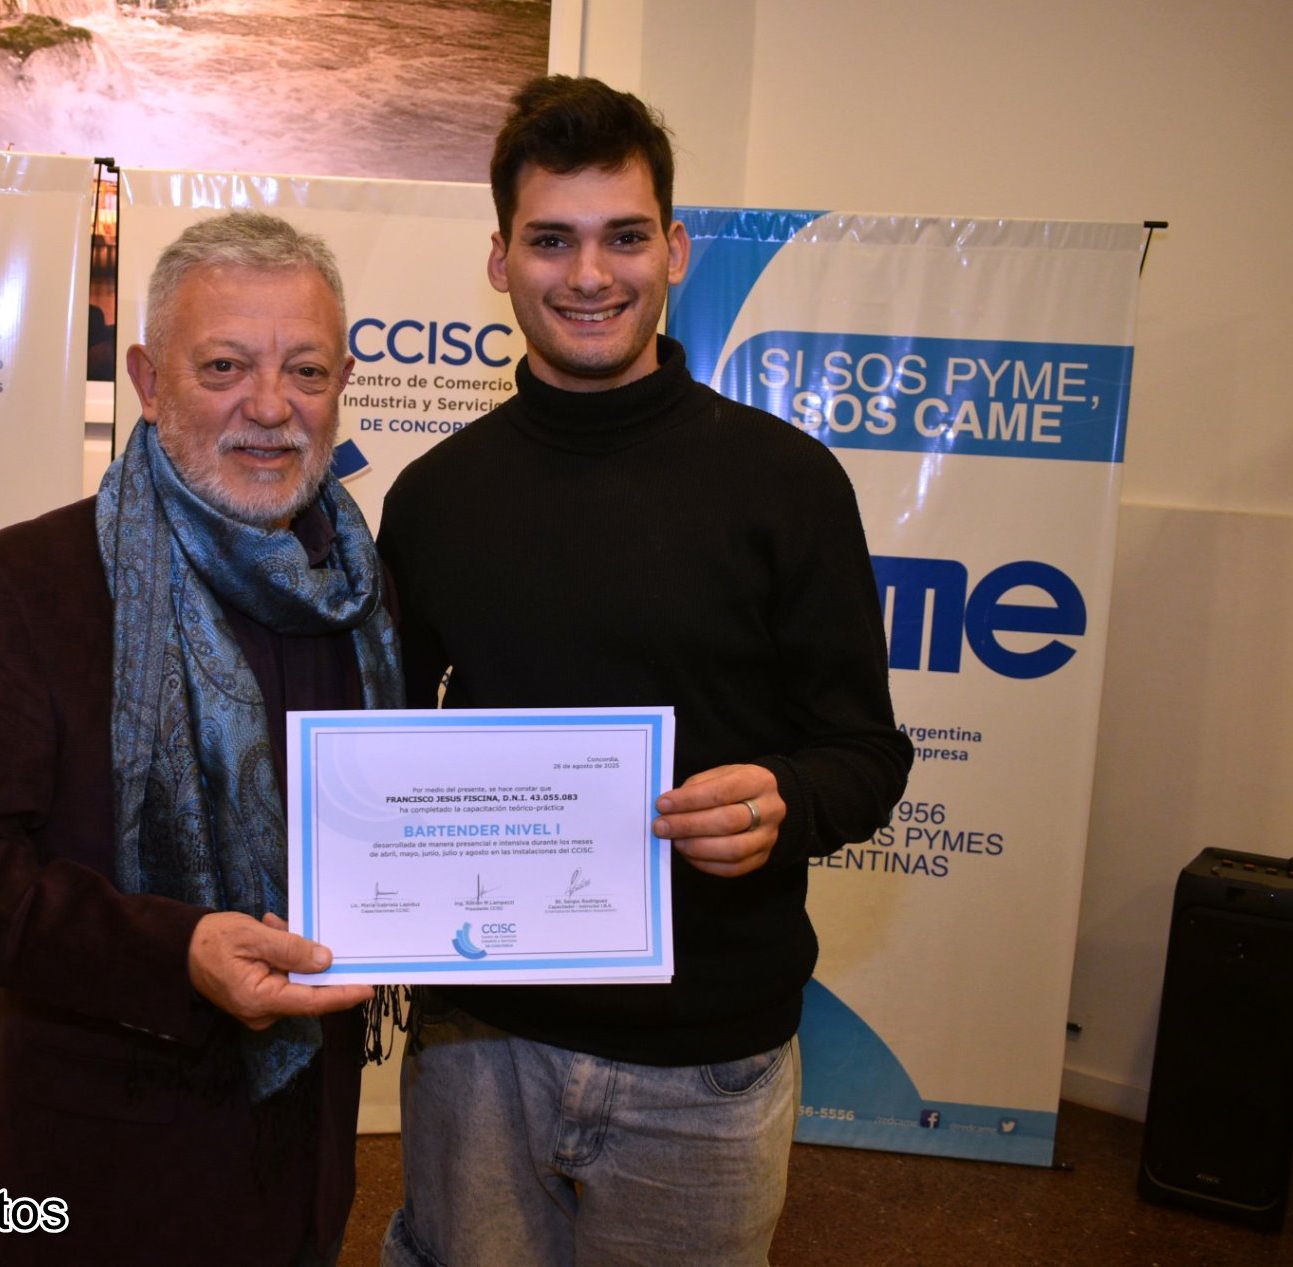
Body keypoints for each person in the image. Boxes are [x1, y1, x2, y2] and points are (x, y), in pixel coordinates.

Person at [377, 77, 914, 1266]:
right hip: (479, 1040)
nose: (588, 275)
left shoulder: (787, 483)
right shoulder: (432, 499)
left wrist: (784, 800)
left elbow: (865, 753)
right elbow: (382, 753)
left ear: (671, 250)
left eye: (622, 237)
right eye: (549, 240)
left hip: (705, 1053)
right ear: (498, 259)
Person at [0, 210, 400, 1266]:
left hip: (303, 1146)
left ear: (343, 383)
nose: (270, 407)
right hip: (100, 1154)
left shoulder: (364, 595)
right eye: (223, 366)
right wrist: (178, 953)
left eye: (305, 370)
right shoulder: (15, 586)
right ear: (149, 381)